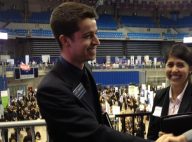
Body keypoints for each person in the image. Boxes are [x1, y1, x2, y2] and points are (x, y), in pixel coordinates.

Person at [36, 2, 149, 142]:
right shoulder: (51, 89)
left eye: (96, 34)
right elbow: (95, 135)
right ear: (65, 40)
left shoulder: (86, 68)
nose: (97, 41)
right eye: (88, 36)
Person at [147, 43, 192, 140]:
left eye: (180, 65)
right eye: (170, 65)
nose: (174, 70)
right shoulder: (159, 96)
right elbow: (151, 134)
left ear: (190, 69)